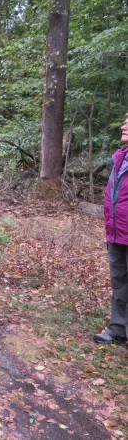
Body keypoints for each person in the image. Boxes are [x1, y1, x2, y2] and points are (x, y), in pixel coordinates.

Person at [94, 113, 128, 345]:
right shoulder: (120, 157)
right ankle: (118, 328)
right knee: (119, 282)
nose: (123, 126)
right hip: (116, 231)